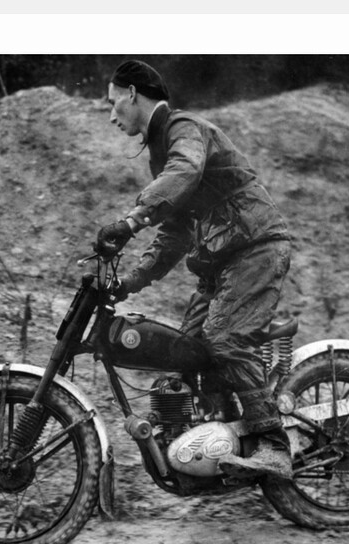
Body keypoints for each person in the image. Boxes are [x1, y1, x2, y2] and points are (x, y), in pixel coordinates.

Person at [95, 59, 294, 479]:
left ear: (132, 93)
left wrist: (132, 221)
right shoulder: (161, 152)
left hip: (255, 248)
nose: (112, 115)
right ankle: (224, 445)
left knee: (224, 339)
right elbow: (175, 234)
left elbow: (185, 170)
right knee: (187, 351)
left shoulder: (183, 130)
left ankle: (273, 446)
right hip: (224, 261)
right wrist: (129, 283)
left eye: (114, 103)